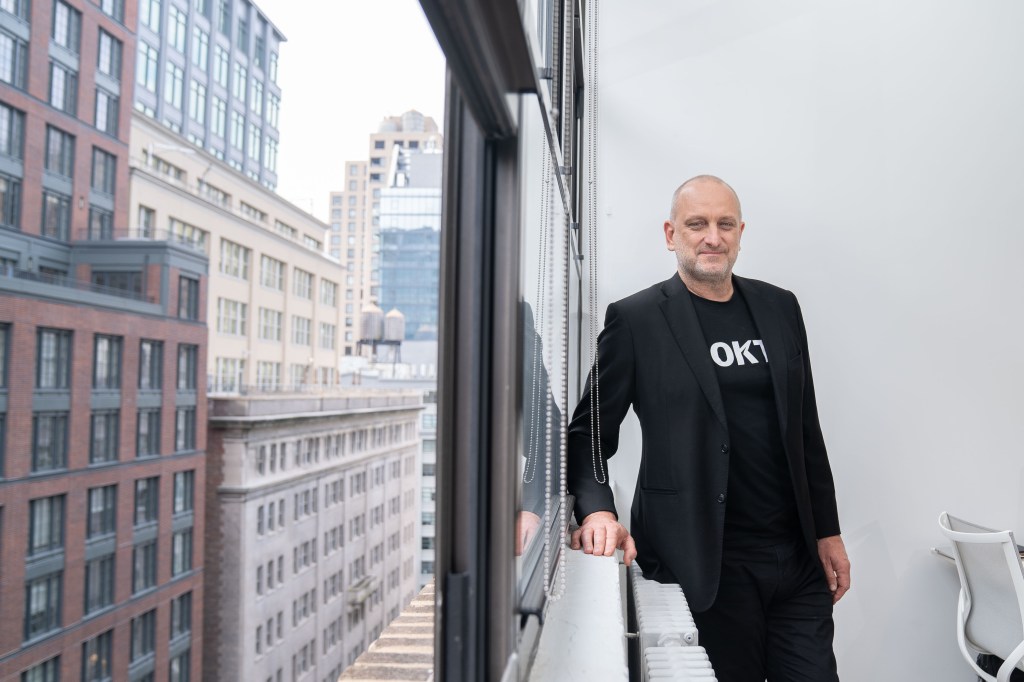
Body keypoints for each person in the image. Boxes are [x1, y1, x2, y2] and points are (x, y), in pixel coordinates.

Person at [566, 175, 850, 681]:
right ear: (671, 233)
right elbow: (586, 434)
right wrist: (597, 511)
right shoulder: (637, 320)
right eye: (697, 224)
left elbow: (805, 426)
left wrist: (827, 531)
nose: (711, 237)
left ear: (740, 232)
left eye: (724, 224)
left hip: (795, 560)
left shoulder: (780, 307)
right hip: (701, 563)